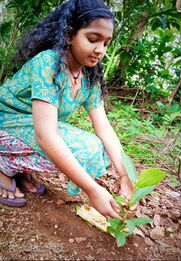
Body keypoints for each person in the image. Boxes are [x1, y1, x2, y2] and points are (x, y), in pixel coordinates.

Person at [0, 0, 134, 218]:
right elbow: (45, 135)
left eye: (106, 43)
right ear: (70, 35)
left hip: (26, 128)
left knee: (94, 149)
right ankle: (3, 166)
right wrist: (92, 189)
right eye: (93, 39)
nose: (100, 50)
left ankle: (18, 167)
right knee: (83, 148)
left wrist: (125, 176)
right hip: (4, 122)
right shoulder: (48, 63)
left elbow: (105, 129)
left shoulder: (90, 79)